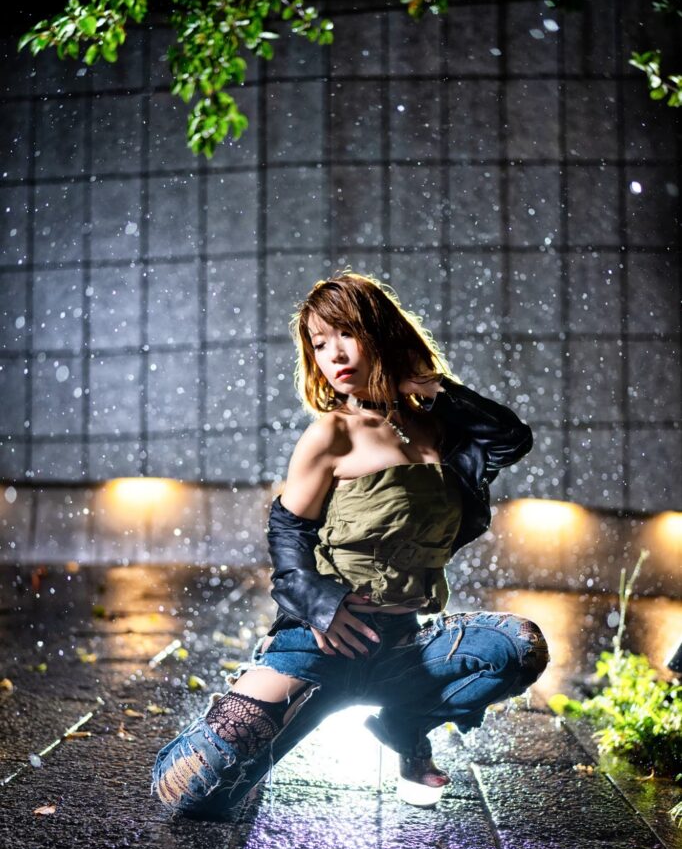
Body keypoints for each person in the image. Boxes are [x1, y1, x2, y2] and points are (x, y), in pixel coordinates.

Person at [151, 271, 549, 820]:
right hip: (323, 643)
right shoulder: (331, 434)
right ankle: (263, 699)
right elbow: (287, 531)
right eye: (319, 344)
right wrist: (320, 606)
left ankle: (404, 722)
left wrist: (433, 387)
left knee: (518, 649)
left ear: (383, 335)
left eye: (347, 334)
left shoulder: (443, 433)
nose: (333, 354)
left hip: (402, 649)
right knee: (193, 790)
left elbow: (511, 438)